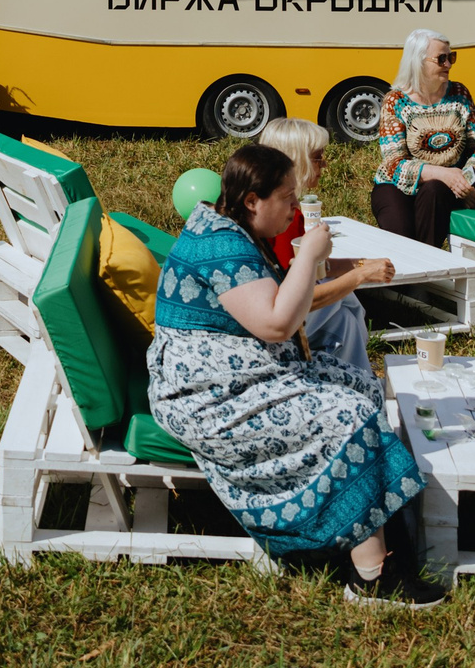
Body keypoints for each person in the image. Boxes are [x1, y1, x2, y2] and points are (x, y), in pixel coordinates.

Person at [146, 143, 433, 602]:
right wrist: (309, 255)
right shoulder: (220, 245)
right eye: (287, 198)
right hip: (206, 396)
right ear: (253, 200)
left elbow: (278, 299)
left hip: (236, 375)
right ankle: (372, 577)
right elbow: (277, 324)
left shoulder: (232, 229)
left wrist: (325, 263)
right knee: (346, 414)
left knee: (360, 384)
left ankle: (360, 523)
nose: (295, 208)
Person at [257, 117, 394, 362]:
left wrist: (361, 264)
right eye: (318, 157)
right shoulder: (280, 219)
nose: (325, 164)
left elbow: (314, 269)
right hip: (269, 330)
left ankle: (357, 385)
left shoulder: (283, 212)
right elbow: (296, 299)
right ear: (296, 160)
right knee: (343, 303)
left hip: (275, 321)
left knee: (345, 321)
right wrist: (359, 275)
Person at [368, 29, 475, 249]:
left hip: (442, 191)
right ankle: (408, 281)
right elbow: (394, 164)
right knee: (401, 241)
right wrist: (445, 174)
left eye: (451, 57)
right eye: (441, 58)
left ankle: (426, 274)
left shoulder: (459, 94)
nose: (449, 64)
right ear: (417, 62)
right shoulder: (396, 101)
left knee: (434, 190)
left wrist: (466, 182)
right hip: (396, 185)